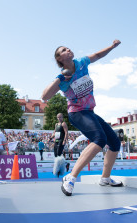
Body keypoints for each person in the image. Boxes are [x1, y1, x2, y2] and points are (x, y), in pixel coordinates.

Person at [42, 39, 123, 196]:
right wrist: (59, 78)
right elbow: (45, 96)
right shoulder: (62, 78)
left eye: (68, 48)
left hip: (89, 111)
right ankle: (70, 178)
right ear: (59, 58)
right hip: (77, 113)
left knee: (114, 142)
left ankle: (105, 178)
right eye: (64, 50)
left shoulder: (81, 63)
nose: (69, 49)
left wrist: (112, 47)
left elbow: (98, 55)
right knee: (99, 139)